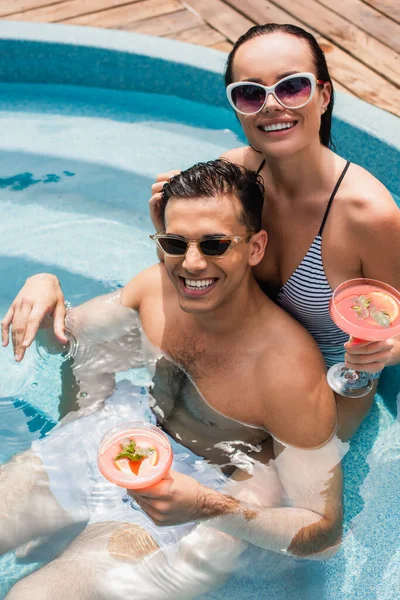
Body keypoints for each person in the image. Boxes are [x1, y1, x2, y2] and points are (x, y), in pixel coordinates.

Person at [1, 160, 344, 599]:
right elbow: (72, 344)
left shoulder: (287, 372)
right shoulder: (154, 289)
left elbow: (323, 533)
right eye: (176, 243)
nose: (193, 264)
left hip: (202, 487)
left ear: (255, 247)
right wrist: (45, 289)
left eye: (216, 244)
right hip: (118, 433)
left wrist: (210, 508)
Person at [148, 24, 400, 441]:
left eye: (292, 87)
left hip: (325, 387)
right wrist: (170, 234)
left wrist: (385, 350)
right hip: (244, 355)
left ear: (323, 95)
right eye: (250, 93)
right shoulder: (236, 174)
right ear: (236, 108)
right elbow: (203, 275)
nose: (272, 105)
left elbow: (396, 316)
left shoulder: (365, 214)